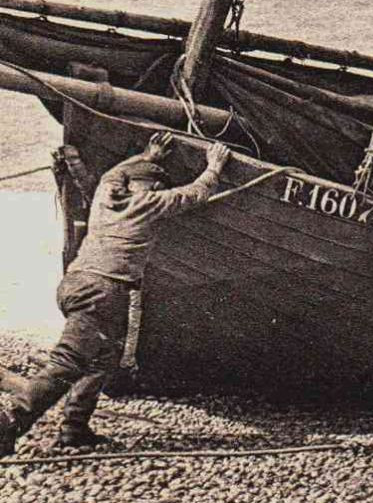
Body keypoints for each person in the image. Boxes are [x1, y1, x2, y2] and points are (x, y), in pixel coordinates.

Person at [0, 134, 230, 456]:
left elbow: (113, 175)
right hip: (104, 290)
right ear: (143, 188)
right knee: (68, 361)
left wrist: (147, 157)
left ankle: (74, 429)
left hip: (77, 284)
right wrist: (214, 167)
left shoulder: (105, 196)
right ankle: (10, 421)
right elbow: (194, 194)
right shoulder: (146, 205)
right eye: (154, 185)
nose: (157, 191)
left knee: (102, 357)